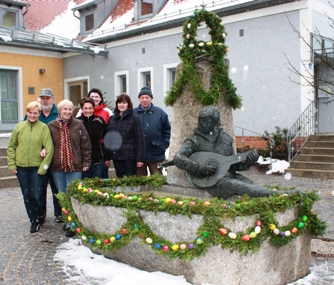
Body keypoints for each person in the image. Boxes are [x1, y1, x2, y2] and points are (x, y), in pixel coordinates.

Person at [173, 105, 272, 199]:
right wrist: (198, 168)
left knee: (255, 187)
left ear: (215, 122)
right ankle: (277, 194)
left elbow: (231, 164)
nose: (201, 124)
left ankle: (277, 195)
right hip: (213, 183)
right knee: (235, 185)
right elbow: (178, 158)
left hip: (230, 176)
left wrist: (247, 163)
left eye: (206, 121)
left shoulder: (225, 138)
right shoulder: (194, 140)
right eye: (201, 120)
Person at [7, 101, 54, 233]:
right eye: (30, 112)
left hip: (37, 167)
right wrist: (12, 163)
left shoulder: (43, 127)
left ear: (39, 114)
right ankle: (34, 219)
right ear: (27, 113)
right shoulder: (19, 127)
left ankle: (41, 214)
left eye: (35, 113)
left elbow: (49, 149)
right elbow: (11, 146)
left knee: (38, 194)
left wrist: (43, 167)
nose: (32, 115)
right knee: (27, 195)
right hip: (21, 167)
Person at [48, 99, 91, 237]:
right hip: (57, 167)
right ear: (59, 111)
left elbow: (85, 145)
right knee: (63, 195)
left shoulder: (78, 125)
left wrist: (86, 162)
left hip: (76, 166)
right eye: (64, 109)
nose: (67, 111)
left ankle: (73, 224)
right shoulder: (51, 126)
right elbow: (47, 144)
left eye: (69, 109)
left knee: (73, 195)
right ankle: (68, 221)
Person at [35, 88, 62, 224]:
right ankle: (41, 214)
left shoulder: (59, 113)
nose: (45, 100)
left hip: (55, 158)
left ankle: (59, 213)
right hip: (38, 159)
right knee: (39, 189)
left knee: (56, 188)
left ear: (53, 99)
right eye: (43, 98)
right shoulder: (34, 113)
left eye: (48, 98)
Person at [104, 94, 145, 178]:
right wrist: (107, 157)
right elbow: (108, 139)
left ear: (128, 104)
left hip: (130, 157)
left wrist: (140, 158)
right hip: (116, 156)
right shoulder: (112, 119)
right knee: (120, 181)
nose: (121, 105)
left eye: (124, 103)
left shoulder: (134, 118)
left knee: (130, 181)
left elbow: (140, 139)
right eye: (119, 103)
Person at [134, 86, 171, 176]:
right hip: (138, 155)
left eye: (147, 97)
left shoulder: (160, 113)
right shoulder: (133, 113)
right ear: (139, 99)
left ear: (151, 98)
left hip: (156, 153)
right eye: (142, 98)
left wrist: (164, 144)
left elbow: (167, 130)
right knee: (139, 180)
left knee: (157, 179)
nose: (144, 100)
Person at [76, 88, 112, 178]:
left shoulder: (99, 121)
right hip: (82, 161)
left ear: (93, 108)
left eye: (90, 108)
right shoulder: (77, 122)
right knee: (84, 187)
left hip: (98, 159)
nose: (88, 110)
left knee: (97, 186)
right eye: (85, 108)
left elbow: (106, 140)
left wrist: (107, 158)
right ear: (82, 109)